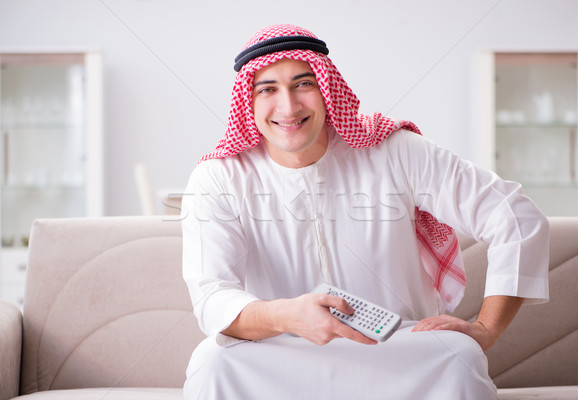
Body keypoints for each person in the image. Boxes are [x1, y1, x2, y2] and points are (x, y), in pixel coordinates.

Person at [181, 24, 549, 399]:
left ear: (326, 88)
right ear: (248, 100)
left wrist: (487, 328)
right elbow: (212, 296)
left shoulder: (395, 150)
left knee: (460, 355)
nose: (288, 106)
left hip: (397, 349)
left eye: (303, 84)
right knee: (212, 362)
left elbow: (516, 218)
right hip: (281, 352)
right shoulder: (219, 177)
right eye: (268, 89)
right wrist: (285, 315)